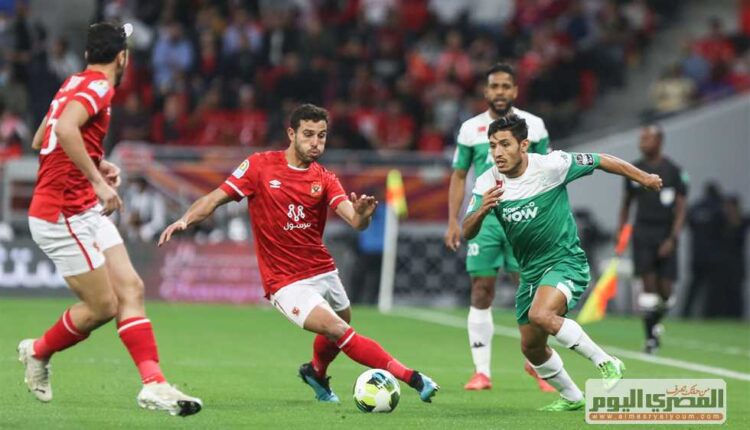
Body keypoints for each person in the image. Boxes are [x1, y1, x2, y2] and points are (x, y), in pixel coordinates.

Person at [158, 103, 439, 404]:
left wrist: (363, 215)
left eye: (322, 135)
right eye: (308, 134)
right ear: (291, 134)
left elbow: (355, 222)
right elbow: (214, 198)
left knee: (340, 325)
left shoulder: (325, 178)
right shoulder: (259, 167)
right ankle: (412, 377)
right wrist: (186, 219)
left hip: (323, 270)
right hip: (286, 281)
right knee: (339, 329)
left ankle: (316, 372)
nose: (316, 142)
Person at [20, 22, 202, 417]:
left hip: (81, 207)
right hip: (60, 213)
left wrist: (97, 163)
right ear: (123, 57)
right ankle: (37, 351)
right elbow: (64, 129)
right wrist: (97, 181)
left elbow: (41, 139)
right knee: (103, 306)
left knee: (131, 288)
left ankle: (154, 384)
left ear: (88, 54)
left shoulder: (73, 83)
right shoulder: (100, 88)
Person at [463, 114, 662, 411]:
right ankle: (572, 397)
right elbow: (467, 231)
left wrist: (643, 178)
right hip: (530, 272)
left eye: (505, 144)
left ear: (523, 145)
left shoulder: (551, 165)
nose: (498, 152)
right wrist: (482, 210)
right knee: (531, 347)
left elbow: (601, 160)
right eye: (493, 146)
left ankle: (607, 362)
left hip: (564, 261)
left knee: (542, 314)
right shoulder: (488, 180)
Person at [444, 62, 553, 391]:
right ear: (486, 91)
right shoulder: (470, 129)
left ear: (515, 90)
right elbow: (459, 175)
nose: (500, 92)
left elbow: (548, 172)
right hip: (486, 218)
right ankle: (482, 372)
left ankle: (538, 363)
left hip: (524, 216)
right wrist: (453, 220)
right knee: (481, 288)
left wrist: (545, 219)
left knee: (530, 290)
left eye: (506, 86)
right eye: (495, 86)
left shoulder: (534, 127)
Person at [618, 125, 687, 354]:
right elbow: (626, 203)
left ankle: (655, 323)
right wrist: (622, 231)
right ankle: (650, 340)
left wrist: (673, 238)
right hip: (643, 233)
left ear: (659, 141)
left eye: (647, 139)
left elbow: (681, 207)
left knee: (666, 292)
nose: (642, 143)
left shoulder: (674, 171)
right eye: (641, 139)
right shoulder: (633, 169)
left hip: (666, 233)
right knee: (647, 287)